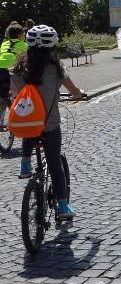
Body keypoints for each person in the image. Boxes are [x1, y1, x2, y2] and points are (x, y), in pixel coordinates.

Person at [13, 25, 85, 219]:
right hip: (50, 125)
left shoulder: (19, 69)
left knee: (31, 126)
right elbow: (74, 91)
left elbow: (16, 93)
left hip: (26, 124)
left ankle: (25, 163)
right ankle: (62, 207)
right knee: (55, 165)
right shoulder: (56, 69)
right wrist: (80, 95)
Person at [0, 22, 27, 102]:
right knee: (20, 88)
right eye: (23, 34)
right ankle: (18, 100)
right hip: (12, 70)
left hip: (1, 68)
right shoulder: (24, 45)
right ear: (19, 36)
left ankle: (4, 99)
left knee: (3, 92)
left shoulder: (4, 43)